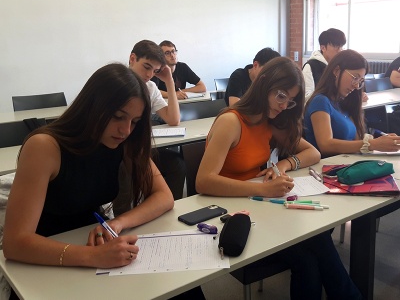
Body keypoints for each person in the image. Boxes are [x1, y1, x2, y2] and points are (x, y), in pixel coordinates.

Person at [2, 63, 177, 298]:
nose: (125, 130)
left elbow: (164, 197)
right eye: (118, 117)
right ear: (92, 107)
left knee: (176, 288)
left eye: (134, 121)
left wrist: (117, 223)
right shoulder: (45, 147)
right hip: (42, 255)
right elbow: (15, 243)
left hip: (94, 240)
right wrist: (93, 257)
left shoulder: (123, 142)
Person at [196, 57, 362, 300]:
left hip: (259, 207)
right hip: (230, 213)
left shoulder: (269, 121)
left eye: (291, 100)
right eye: (281, 96)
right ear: (264, 84)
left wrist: (284, 164)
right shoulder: (231, 121)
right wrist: (262, 190)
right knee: (309, 257)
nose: (284, 106)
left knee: (314, 244)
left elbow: (312, 152)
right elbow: (203, 181)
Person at [304, 49, 400, 158]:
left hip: (345, 163)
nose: (356, 86)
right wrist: (372, 144)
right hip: (327, 167)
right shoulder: (320, 101)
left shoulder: (344, 102)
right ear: (336, 71)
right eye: (355, 78)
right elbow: (326, 145)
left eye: (360, 81)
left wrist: (382, 139)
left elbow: (356, 140)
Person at [129, 40, 185, 200]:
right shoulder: (117, 83)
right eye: (147, 67)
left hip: (142, 149)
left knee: (177, 164)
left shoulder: (150, 87)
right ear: (133, 59)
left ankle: (171, 209)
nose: (149, 75)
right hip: (121, 150)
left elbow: (173, 119)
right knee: (125, 172)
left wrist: (169, 82)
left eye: (155, 71)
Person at [303, 28, 346, 101]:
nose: (340, 50)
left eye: (341, 46)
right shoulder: (311, 66)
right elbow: (306, 97)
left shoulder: (340, 66)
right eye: (336, 46)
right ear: (323, 48)